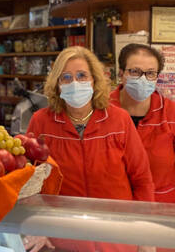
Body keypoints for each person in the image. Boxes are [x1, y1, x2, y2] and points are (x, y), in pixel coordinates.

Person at [25, 46, 155, 252]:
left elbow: (142, 180)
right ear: (57, 84)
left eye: (82, 75)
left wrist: (146, 236)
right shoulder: (41, 122)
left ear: (94, 80)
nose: (74, 83)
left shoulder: (119, 120)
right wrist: (35, 227)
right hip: (61, 240)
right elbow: (28, 182)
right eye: (66, 77)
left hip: (117, 238)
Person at [110, 43, 175, 204]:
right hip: (114, 206)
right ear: (121, 74)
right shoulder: (101, 110)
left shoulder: (171, 112)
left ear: (157, 77)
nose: (143, 78)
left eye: (150, 73)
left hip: (162, 209)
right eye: (134, 71)